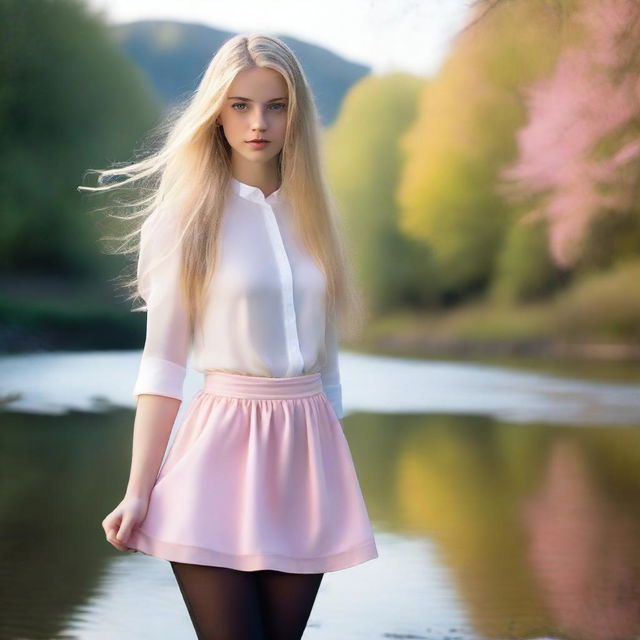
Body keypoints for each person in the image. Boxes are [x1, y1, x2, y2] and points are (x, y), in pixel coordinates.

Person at [88, 33, 378, 640]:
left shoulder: (318, 218)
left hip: (308, 453)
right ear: (215, 112)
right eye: (240, 105)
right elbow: (163, 367)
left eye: (276, 106)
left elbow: (327, 368)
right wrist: (138, 490)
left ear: (295, 113)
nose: (258, 123)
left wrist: (329, 467)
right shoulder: (184, 221)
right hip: (216, 451)